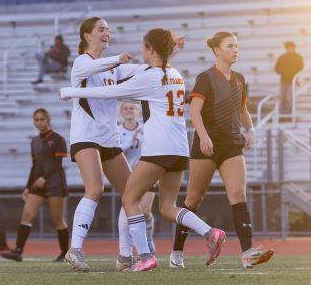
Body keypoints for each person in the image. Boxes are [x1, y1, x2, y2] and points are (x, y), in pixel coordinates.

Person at [61, 28, 226, 272]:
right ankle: (210, 232)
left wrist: (71, 92)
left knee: (129, 198)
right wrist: (172, 50)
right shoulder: (175, 74)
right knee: (167, 206)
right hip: (180, 148)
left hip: (158, 148)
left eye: (143, 45)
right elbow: (148, 70)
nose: (140, 49)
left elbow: (112, 92)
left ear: (150, 49)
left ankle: (145, 256)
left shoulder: (149, 77)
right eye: (102, 29)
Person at [169, 31, 274, 269]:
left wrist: (251, 130)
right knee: (193, 200)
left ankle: (248, 253)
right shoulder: (206, 78)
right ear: (216, 50)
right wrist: (204, 137)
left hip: (231, 145)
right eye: (230, 46)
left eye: (237, 45)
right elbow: (194, 111)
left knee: (238, 194)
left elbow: (242, 110)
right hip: (206, 146)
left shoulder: (239, 79)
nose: (235, 49)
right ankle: (177, 253)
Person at [62, 16, 150, 273]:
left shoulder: (114, 68)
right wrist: (117, 59)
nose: (106, 33)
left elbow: (144, 69)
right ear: (87, 36)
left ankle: (125, 255)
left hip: (108, 139)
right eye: (101, 29)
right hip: (86, 136)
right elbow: (95, 67)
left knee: (132, 194)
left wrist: (167, 56)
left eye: (108, 30)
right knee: (96, 188)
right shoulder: (82, 63)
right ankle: (74, 250)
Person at [0, 108, 69, 262]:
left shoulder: (58, 139)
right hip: (38, 185)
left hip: (55, 183)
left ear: (48, 120)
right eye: (36, 120)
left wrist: (44, 177)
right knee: (26, 215)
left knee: (57, 219)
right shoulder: (34, 141)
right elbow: (34, 166)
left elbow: (57, 164)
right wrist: (28, 186)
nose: (39, 122)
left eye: (42, 119)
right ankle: (17, 251)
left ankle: (65, 253)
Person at [118, 101, 156, 254]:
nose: (129, 111)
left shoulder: (145, 128)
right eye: (125, 108)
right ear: (121, 112)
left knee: (146, 211)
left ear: (137, 111)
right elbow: (117, 151)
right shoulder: (118, 130)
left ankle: (148, 239)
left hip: (146, 174)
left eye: (131, 108)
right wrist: (130, 141)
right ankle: (128, 247)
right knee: (129, 211)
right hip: (127, 177)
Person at [275, 41, 304, 120]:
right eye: (288, 48)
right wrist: (282, 71)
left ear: (294, 48)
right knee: (282, 99)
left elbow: (301, 68)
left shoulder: (298, 57)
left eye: (291, 48)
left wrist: (296, 75)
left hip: (293, 82)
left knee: (289, 98)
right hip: (283, 81)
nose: (289, 49)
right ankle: (281, 116)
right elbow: (276, 68)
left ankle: (288, 116)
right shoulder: (282, 57)